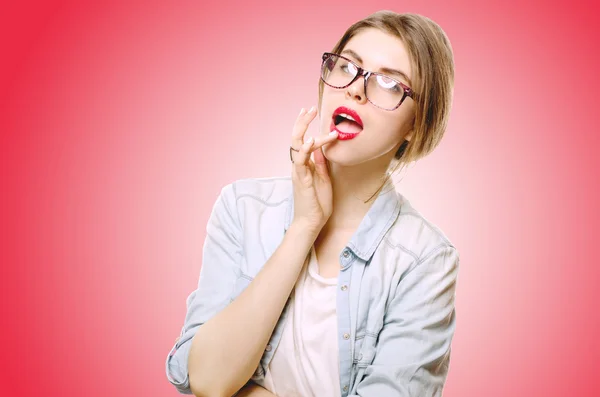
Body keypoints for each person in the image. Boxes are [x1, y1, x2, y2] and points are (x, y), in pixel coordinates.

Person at [165, 10, 460, 397]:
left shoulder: (425, 261)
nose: (355, 88)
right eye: (347, 66)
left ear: (416, 127)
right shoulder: (243, 207)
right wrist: (303, 227)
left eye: (389, 83)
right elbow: (204, 377)